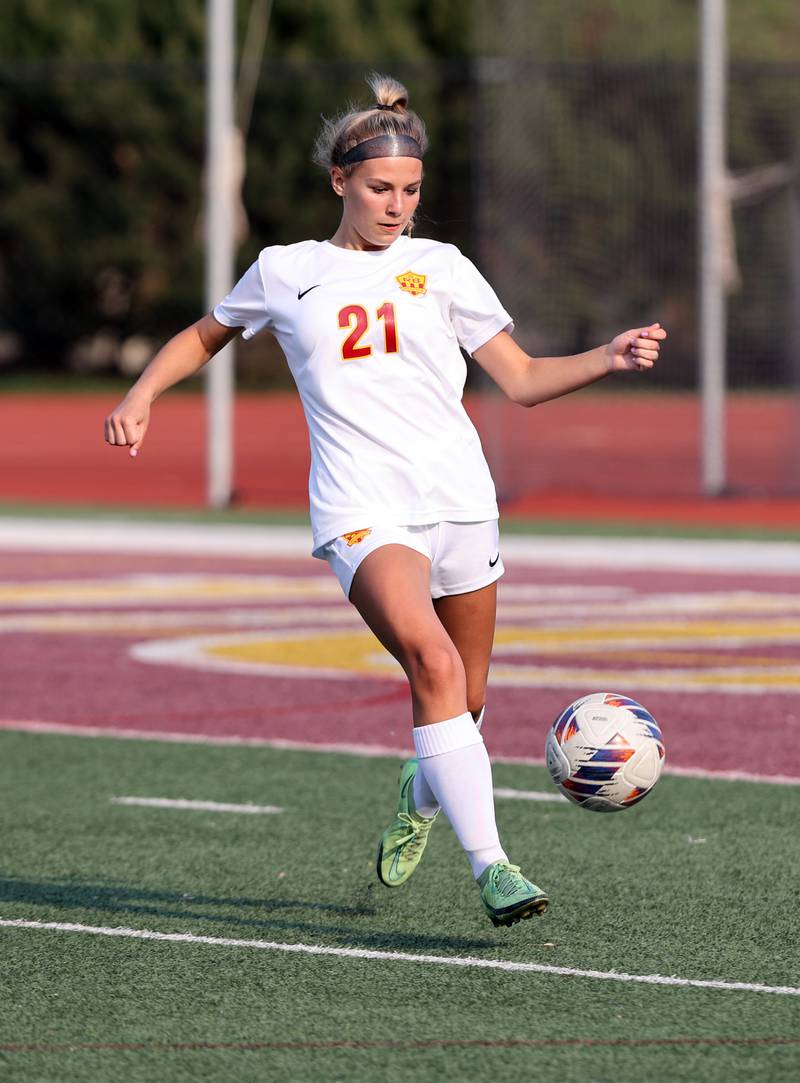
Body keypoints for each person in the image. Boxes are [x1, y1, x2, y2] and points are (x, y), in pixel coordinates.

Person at [104, 72, 666, 928]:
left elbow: (518, 380)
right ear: (339, 181)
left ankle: (424, 781)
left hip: (460, 502)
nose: (396, 204)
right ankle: (496, 868)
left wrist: (606, 356)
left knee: (464, 700)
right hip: (362, 508)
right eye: (378, 188)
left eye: (409, 189)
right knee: (433, 667)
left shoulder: (443, 267)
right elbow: (200, 334)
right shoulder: (286, 270)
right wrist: (141, 394)